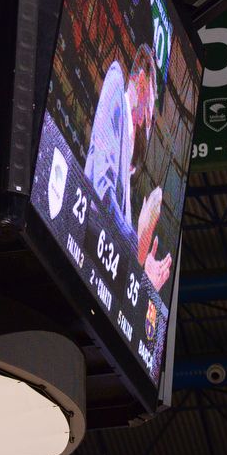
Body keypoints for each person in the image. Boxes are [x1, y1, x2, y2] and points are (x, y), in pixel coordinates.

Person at [83, 43, 174, 291]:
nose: (150, 117)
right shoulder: (115, 81)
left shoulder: (128, 162)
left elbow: (119, 235)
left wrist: (143, 274)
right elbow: (101, 192)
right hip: (83, 237)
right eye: (153, 101)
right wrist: (138, 243)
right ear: (142, 81)